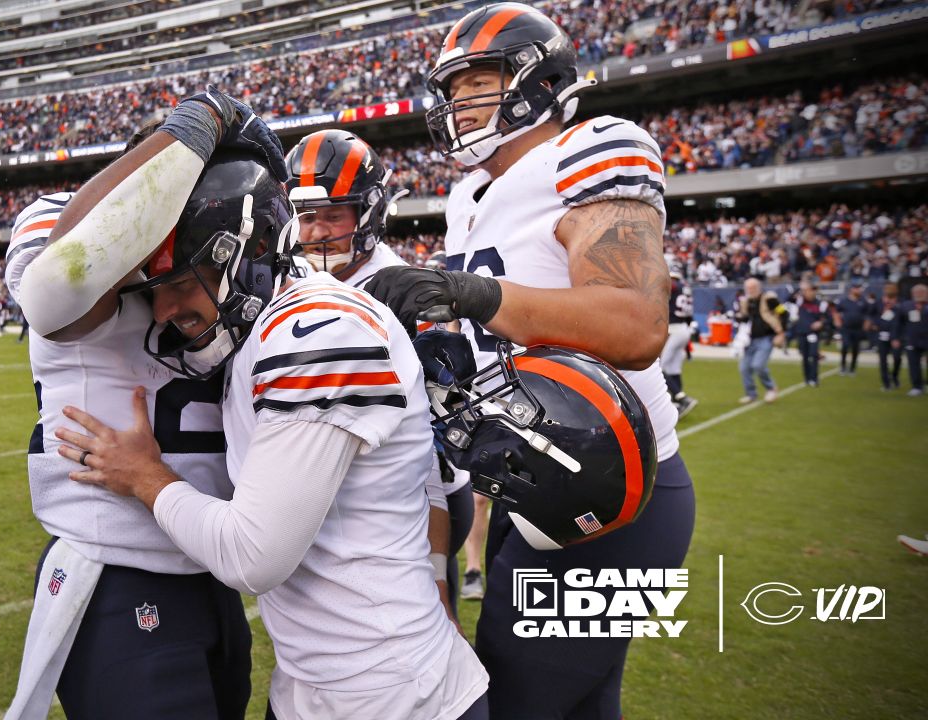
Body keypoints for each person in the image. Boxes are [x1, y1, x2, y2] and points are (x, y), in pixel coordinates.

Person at [55, 144, 488, 720]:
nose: (162, 311)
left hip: (393, 695)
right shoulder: (262, 328)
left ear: (251, 256)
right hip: (312, 685)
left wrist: (146, 477)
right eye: (153, 288)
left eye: (181, 281)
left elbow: (252, 558)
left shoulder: (319, 331)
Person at [364, 4, 695, 717]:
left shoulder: (593, 148)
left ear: (537, 81)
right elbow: (507, 324)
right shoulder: (466, 193)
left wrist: (469, 293)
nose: (456, 104)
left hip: (614, 488)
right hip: (532, 477)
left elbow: (636, 323)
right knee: (580, 703)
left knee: (516, 696)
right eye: (449, 91)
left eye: (474, 83)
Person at [0, 92, 286, 720]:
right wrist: (197, 124)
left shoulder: (233, 251)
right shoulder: (58, 223)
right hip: (117, 568)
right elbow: (60, 287)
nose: (164, 307)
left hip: (211, 561)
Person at [285, 128, 474, 616]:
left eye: (333, 216)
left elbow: (426, 452)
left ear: (368, 214)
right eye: (306, 217)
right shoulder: (297, 280)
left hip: (416, 500)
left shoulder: (398, 294)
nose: (317, 232)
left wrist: (434, 578)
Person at [735, 278, 788, 403]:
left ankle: (771, 388)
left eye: (753, 287)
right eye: (748, 288)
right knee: (744, 367)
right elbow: (745, 319)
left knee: (758, 365)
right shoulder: (746, 302)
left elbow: (784, 313)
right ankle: (751, 393)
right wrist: (739, 317)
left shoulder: (769, 299)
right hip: (750, 339)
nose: (750, 290)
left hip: (766, 337)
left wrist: (781, 332)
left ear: (759, 287)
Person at [662, 269, 699, 416]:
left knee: (660, 368)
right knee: (674, 368)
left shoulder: (674, 286)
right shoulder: (685, 290)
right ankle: (678, 402)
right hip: (684, 329)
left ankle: (681, 398)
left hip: (674, 329)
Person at [791, 281, 830, 388]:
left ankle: (814, 378)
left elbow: (827, 318)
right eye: (807, 290)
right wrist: (800, 289)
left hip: (813, 334)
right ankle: (807, 378)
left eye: (811, 290)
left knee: (813, 355)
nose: (809, 293)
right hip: (802, 333)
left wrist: (821, 323)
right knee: (805, 357)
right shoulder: (800, 301)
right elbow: (788, 298)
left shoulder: (821, 304)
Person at [896, 282, 928, 396]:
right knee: (913, 364)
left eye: (922, 292)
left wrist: (923, 308)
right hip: (912, 339)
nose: (919, 294)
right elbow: (898, 323)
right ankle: (917, 386)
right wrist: (896, 337)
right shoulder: (906, 305)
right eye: (917, 292)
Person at [833, 283, 871, 376]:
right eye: (857, 288)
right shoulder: (844, 301)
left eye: (859, 289)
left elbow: (868, 314)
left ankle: (852, 368)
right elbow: (836, 312)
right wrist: (837, 321)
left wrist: (866, 324)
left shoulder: (863, 301)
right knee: (845, 346)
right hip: (846, 328)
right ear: (852, 289)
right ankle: (843, 366)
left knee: (855, 348)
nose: (859, 291)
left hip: (858, 328)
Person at [872, 285, 903, 391]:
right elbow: (874, 317)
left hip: (896, 336)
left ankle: (894, 376)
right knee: (883, 360)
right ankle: (886, 383)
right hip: (882, 335)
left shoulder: (900, 304)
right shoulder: (880, 304)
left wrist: (897, 337)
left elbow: (901, 320)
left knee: (897, 358)